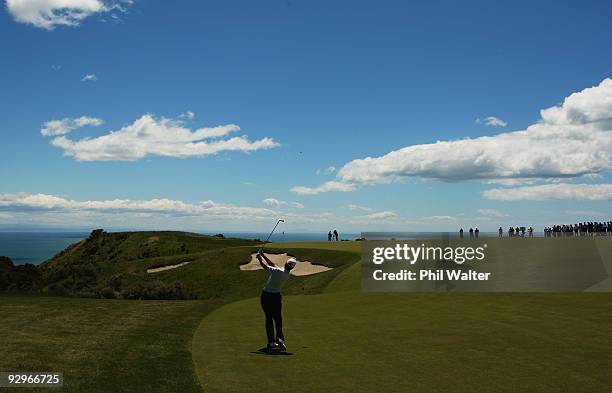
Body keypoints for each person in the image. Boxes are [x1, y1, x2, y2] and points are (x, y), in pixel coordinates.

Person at [257, 250, 296, 352]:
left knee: (269, 318)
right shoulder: (286, 274)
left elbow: (265, 267)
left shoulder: (278, 271)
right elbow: (272, 264)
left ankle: (271, 342)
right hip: (277, 297)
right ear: (291, 267)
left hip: (266, 296)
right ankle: (280, 339)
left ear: (285, 263)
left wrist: (259, 259)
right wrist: (263, 255)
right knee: (278, 318)